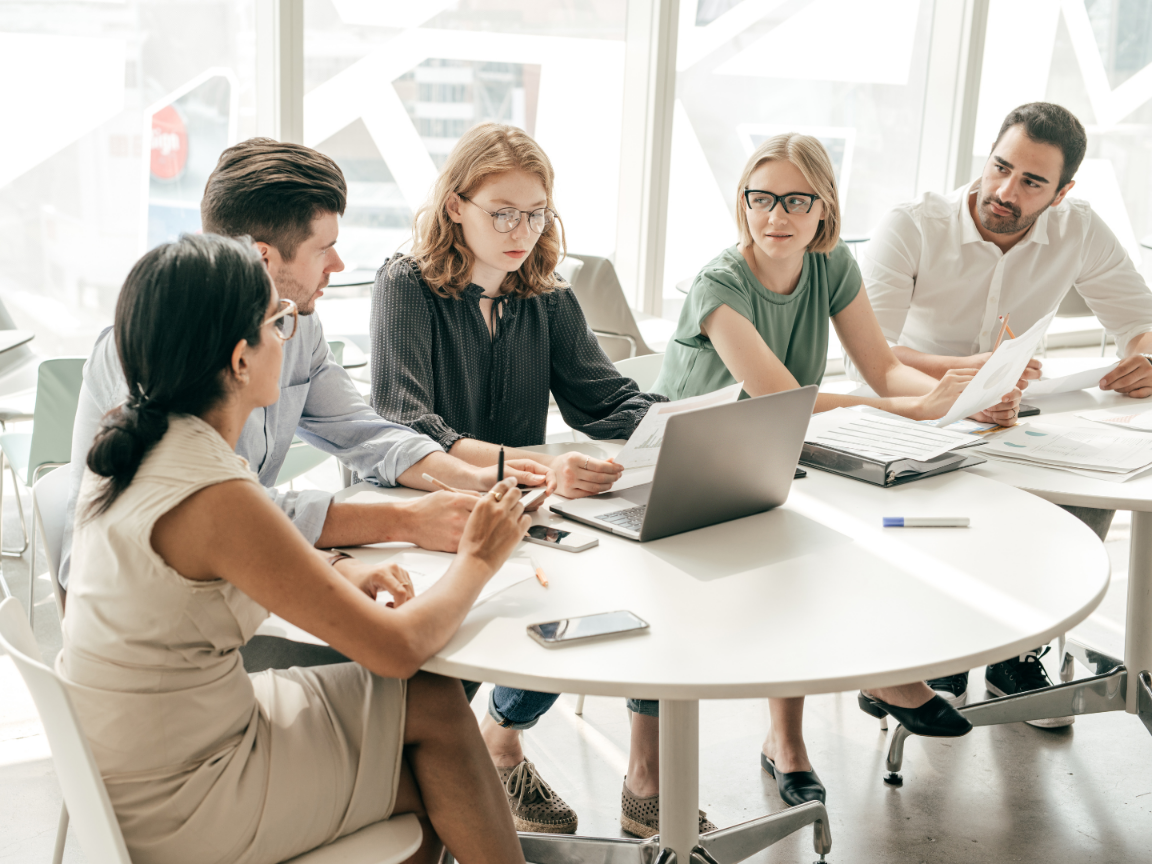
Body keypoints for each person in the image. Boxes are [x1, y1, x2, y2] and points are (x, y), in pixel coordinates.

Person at [58, 232, 530, 864]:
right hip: (185, 795)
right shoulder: (216, 489)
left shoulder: (140, 445)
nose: (292, 334)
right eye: (279, 322)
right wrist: (479, 557)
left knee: (432, 730)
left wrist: (332, 568)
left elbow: (214, 568)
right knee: (431, 721)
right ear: (240, 360)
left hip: (136, 757)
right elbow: (397, 650)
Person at [59, 139, 551, 669]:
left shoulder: (298, 326)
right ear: (261, 257)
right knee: (413, 670)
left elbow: (363, 430)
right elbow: (235, 512)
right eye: (324, 248)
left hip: (237, 571)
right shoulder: (155, 346)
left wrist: (466, 477)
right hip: (170, 620)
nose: (338, 264)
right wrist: (404, 523)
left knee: (421, 671)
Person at [651, 133, 999, 808]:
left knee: (888, 520)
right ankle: (871, 680)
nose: (774, 215)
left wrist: (937, 399)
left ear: (823, 209)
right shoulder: (720, 286)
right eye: (759, 198)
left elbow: (881, 367)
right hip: (687, 465)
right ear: (743, 204)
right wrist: (916, 409)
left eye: (793, 200)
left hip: (775, 452)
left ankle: (795, 732)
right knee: (808, 550)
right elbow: (786, 397)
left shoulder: (831, 263)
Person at [370, 122, 683, 839]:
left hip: (528, 511)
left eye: (535, 212)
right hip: (431, 515)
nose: (521, 231)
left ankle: (616, 773)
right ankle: (493, 744)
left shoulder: (544, 295)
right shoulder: (404, 286)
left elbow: (608, 399)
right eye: (501, 212)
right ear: (456, 206)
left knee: (639, 584)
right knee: (525, 616)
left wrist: (686, 428)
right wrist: (540, 468)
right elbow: (408, 424)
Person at [858, 101, 1152, 723]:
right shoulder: (912, 226)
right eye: (1000, 168)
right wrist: (971, 381)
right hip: (915, 411)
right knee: (957, 511)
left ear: (1063, 191)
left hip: (1014, 414)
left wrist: (1146, 356)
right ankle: (942, 651)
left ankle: (1021, 646)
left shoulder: (1080, 228)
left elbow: (1141, 320)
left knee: (1089, 487)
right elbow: (872, 351)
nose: (1005, 191)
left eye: (1032, 183)